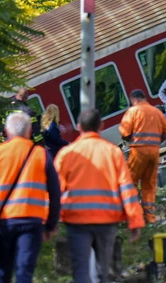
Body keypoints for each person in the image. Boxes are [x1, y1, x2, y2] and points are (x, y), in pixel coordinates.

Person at [0, 112, 61, 283]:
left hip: (4, 222)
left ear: (7, 131)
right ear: (29, 130)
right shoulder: (41, 154)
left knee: (3, 273)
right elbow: (55, 192)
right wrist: (51, 225)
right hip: (32, 223)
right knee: (24, 271)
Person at [54, 108, 144, 283]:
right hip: (107, 219)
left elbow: (56, 191)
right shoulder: (112, 152)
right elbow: (126, 188)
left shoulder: (66, 154)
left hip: (76, 220)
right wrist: (135, 221)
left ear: (79, 127)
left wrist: (51, 223)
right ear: (101, 126)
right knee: (104, 268)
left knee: (81, 269)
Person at [119, 89, 166, 224]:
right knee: (149, 185)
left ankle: (133, 216)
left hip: (138, 152)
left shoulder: (132, 112)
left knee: (130, 183)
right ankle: (150, 217)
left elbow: (124, 133)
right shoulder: (155, 111)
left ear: (133, 99)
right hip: (154, 152)